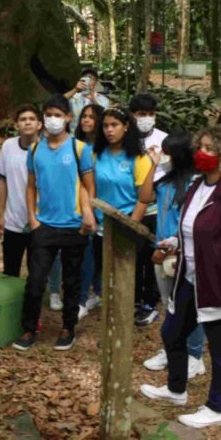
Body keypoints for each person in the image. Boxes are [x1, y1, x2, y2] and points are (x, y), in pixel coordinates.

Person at [139, 127, 221, 428]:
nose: (201, 153)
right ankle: (176, 389)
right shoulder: (195, 186)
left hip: (219, 287)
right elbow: (189, 230)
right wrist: (172, 245)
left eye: (209, 148)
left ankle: (216, 409)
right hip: (190, 279)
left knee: (220, 348)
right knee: (172, 333)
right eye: (200, 147)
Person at [13, 95, 97, 352]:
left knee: (71, 281)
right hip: (44, 226)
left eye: (58, 115)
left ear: (68, 118)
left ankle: (67, 328)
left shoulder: (80, 149)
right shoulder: (35, 150)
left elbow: (89, 186)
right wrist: (32, 217)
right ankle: (29, 328)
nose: (52, 120)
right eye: (48, 114)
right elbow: (31, 186)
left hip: (73, 226)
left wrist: (87, 214)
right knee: (35, 280)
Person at [139, 131, 206, 379]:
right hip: (161, 254)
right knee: (170, 306)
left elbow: (194, 226)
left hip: (183, 255)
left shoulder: (196, 184)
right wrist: (154, 165)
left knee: (190, 307)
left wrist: (171, 249)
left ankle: (195, 355)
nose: (163, 154)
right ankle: (172, 350)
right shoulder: (165, 181)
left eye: (167, 151)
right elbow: (145, 197)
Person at [88, 107, 144, 320]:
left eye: (115, 125)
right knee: (104, 268)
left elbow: (143, 196)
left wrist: (132, 225)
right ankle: (107, 306)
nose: (109, 130)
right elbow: (89, 187)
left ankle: (126, 311)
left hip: (127, 221)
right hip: (101, 224)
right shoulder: (95, 154)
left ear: (126, 127)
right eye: (105, 126)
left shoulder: (137, 158)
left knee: (125, 271)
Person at [129, 93, 167, 325]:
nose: (147, 118)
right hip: (130, 207)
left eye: (151, 114)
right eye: (142, 114)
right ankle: (132, 298)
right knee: (133, 256)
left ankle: (150, 302)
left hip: (155, 208)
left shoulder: (164, 139)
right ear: (132, 115)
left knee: (150, 257)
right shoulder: (126, 140)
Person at [0, 104, 42, 277]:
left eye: (32, 119)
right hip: (13, 220)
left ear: (39, 124)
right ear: (16, 125)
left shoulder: (46, 149)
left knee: (36, 271)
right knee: (10, 270)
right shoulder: (8, 146)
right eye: (23, 119)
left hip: (39, 221)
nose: (27, 123)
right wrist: (0, 215)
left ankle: (32, 303)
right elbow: (3, 181)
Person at [75, 103, 106, 315]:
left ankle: (91, 295)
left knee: (93, 253)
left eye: (91, 117)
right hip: (77, 204)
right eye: (83, 116)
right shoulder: (74, 145)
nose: (86, 120)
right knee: (85, 253)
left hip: (98, 206)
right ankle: (84, 296)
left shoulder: (103, 149)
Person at [64, 67, 110, 132]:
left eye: (91, 78)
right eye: (85, 77)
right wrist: (75, 89)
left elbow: (105, 117)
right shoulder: (74, 96)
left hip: (94, 137)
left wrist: (93, 100)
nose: (88, 80)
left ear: (96, 81)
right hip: (75, 136)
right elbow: (57, 101)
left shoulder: (103, 99)